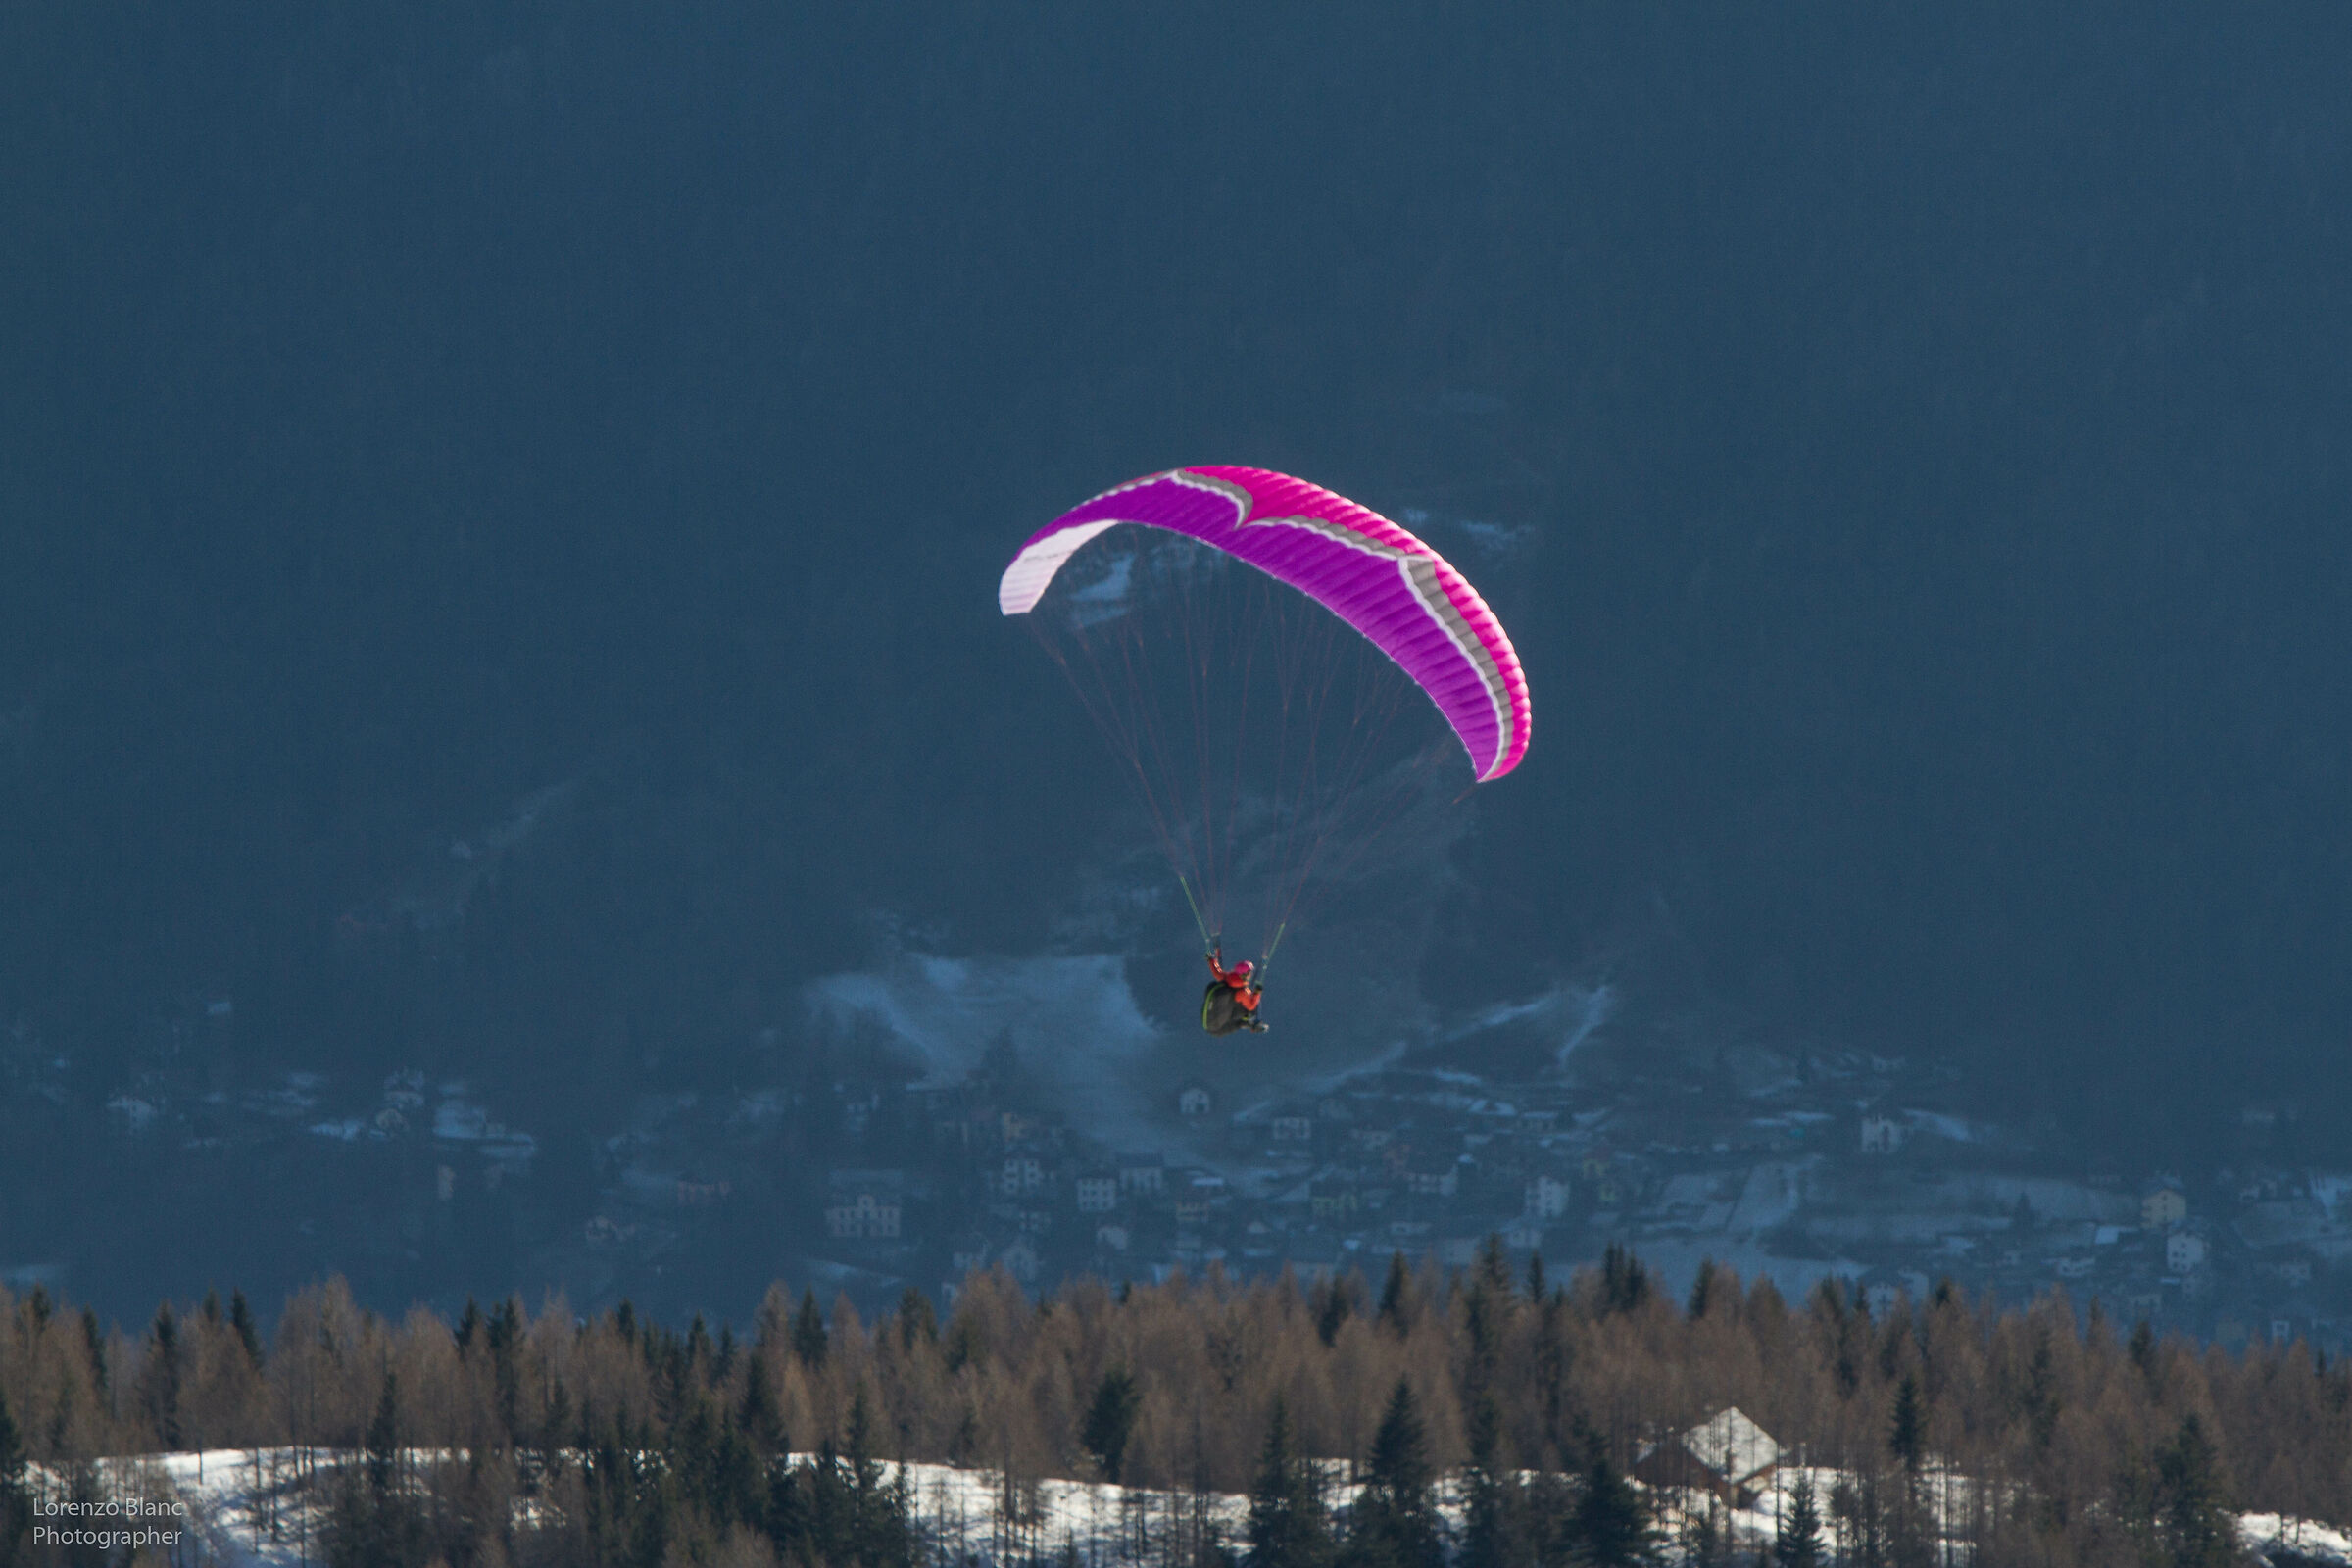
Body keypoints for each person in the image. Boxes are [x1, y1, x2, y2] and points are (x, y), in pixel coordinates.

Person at [1200, 947, 1267, 1035]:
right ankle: (1256, 1023)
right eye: (1249, 973)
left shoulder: (1227, 977)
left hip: (1215, 1020)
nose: (1251, 975)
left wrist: (1211, 960)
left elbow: (1217, 972)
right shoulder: (1242, 992)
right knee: (1255, 1003)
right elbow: (1251, 1006)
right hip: (1224, 1023)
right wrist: (1257, 993)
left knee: (1249, 1001)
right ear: (1244, 975)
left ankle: (1250, 1023)